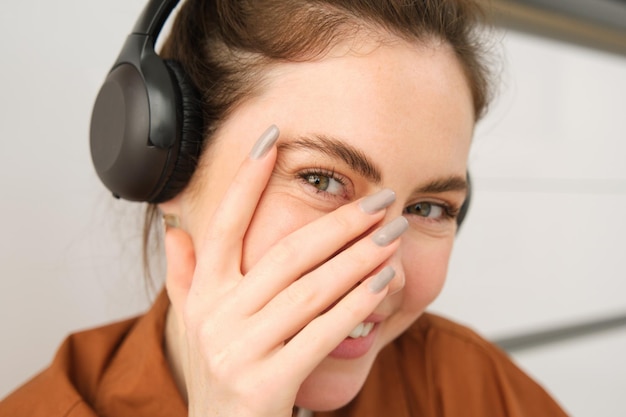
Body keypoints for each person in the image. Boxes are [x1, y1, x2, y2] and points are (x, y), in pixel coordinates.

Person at [1, 0, 569, 416]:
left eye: (428, 208)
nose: (384, 271)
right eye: (321, 179)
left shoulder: (475, 391)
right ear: (166, 166)